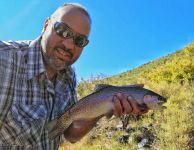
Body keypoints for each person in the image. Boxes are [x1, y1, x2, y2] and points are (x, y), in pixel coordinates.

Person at [0, 3, 149, 150]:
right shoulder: (4, 59)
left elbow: (71, 134)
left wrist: (103, 106)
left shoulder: (69, 76)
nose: (69, 45)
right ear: (46, 25)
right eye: (62, 31)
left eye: (79, 40)